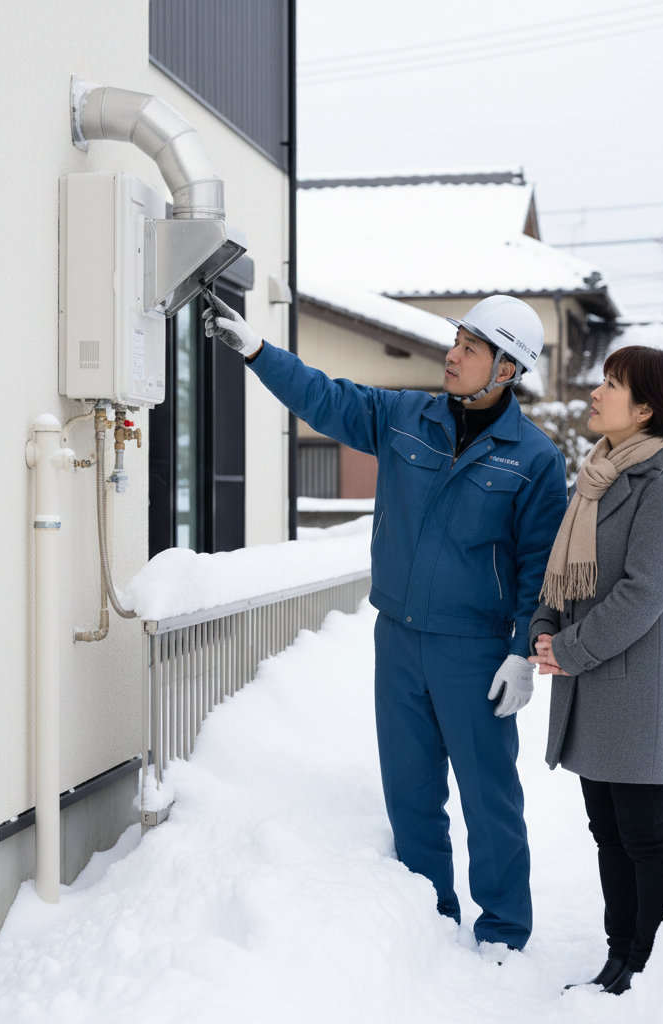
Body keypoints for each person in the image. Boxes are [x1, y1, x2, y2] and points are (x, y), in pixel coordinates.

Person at [203, 292, 567, 956]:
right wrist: (258, 352)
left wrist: (521, 653)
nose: (453, 356)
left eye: (471, 348)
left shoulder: (535, 459)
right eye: (456, 341)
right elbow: (325, 397)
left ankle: (504, 934)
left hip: (475, 652)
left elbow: (537, 569)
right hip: (398, 640)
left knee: (490, 801)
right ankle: (426, 917)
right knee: (411, 792)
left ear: (507, 369)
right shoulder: (404, 419)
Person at [527, 345, 663, 995]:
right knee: (607, 829)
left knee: (644, 832)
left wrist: (566, 652)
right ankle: (618, 956)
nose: (595, 393)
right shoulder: (598, 478)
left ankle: (653, 966)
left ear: (646, 409)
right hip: (594, 680)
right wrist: (545, 625)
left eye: (610, 384)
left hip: (639, 686)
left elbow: (642, 596)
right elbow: (565, 575)